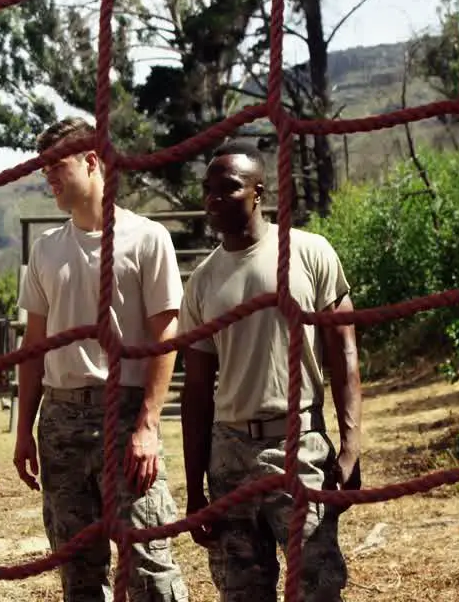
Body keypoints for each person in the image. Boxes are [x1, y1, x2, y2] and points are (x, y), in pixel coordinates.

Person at [13, 117, 189, 602]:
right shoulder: (46, 251)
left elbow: (165, 336)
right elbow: (33, 348)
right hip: (61, 420)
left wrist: (148, 426)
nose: (46, 175)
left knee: (150, 567)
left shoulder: (147, 238)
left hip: (125, 415)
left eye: (56, 165)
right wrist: (24, 429)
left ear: (93, 161)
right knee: (78, 570)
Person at [178, 139, 362, 602]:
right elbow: (197, 391)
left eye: (229, 188)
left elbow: (345, 353)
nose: (213, 200)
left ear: (258, 192)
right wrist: (196, 488)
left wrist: (351, 443)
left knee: (317, 587)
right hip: (230, 453)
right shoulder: (202, 281)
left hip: (299, 445)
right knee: (240, 592)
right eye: (208, 190)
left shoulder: (309, 252)